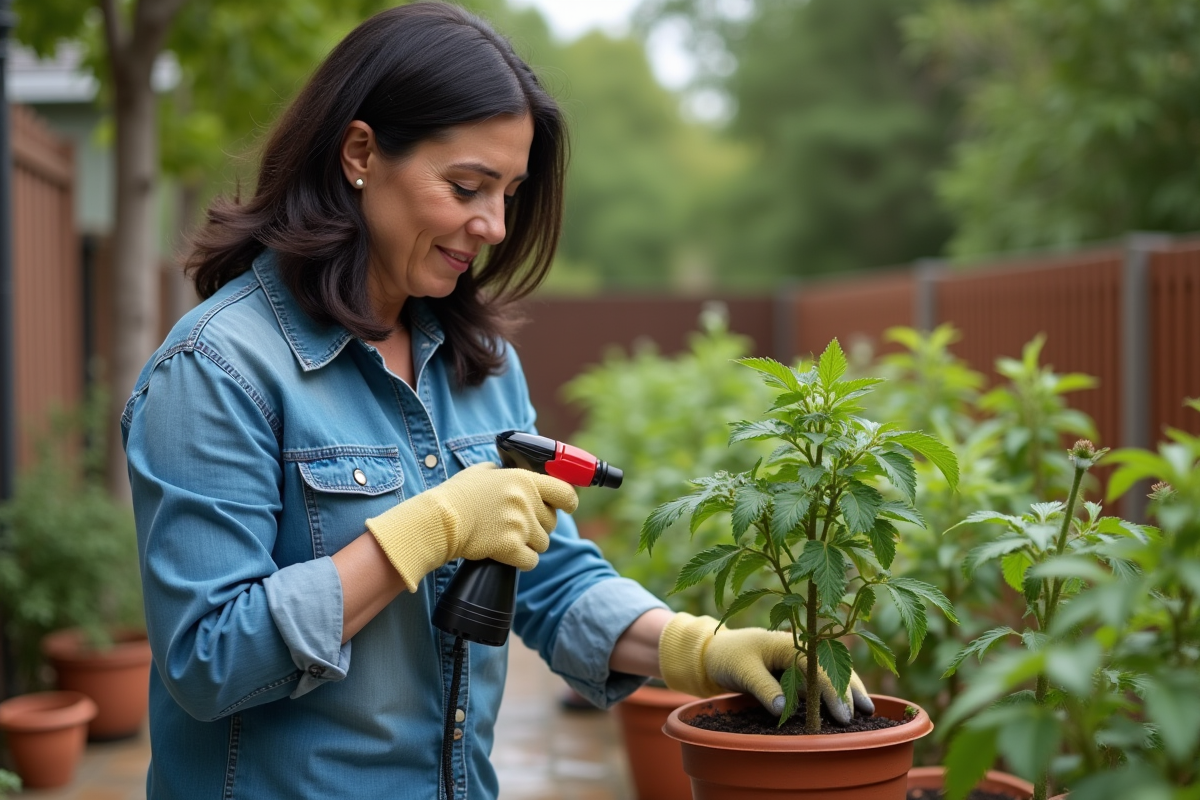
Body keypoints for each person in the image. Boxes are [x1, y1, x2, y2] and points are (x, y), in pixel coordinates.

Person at [122, 4, 872, 799]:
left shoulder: (478, 363)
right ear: (361, 153)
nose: (495, 225)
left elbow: (544, 577)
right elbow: (206, 659)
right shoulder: (218, 371)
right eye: (468, 187)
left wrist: (696, 647)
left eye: (509, 192)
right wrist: (426, 529)